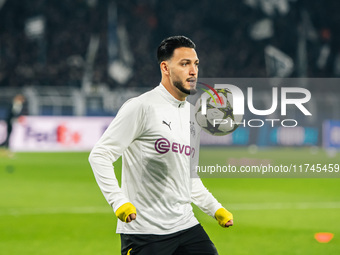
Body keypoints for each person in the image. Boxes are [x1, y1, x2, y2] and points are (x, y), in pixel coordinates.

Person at [89, 35, 233, 255]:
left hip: (186, 226)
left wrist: (215, 208)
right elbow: (100, 155)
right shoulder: (141, 107)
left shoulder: (192, 116)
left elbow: (189, 176)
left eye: (195, 64)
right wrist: (118, 202)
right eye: (185, 64)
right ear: (165, 67)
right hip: (145, 233)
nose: (193, 71)